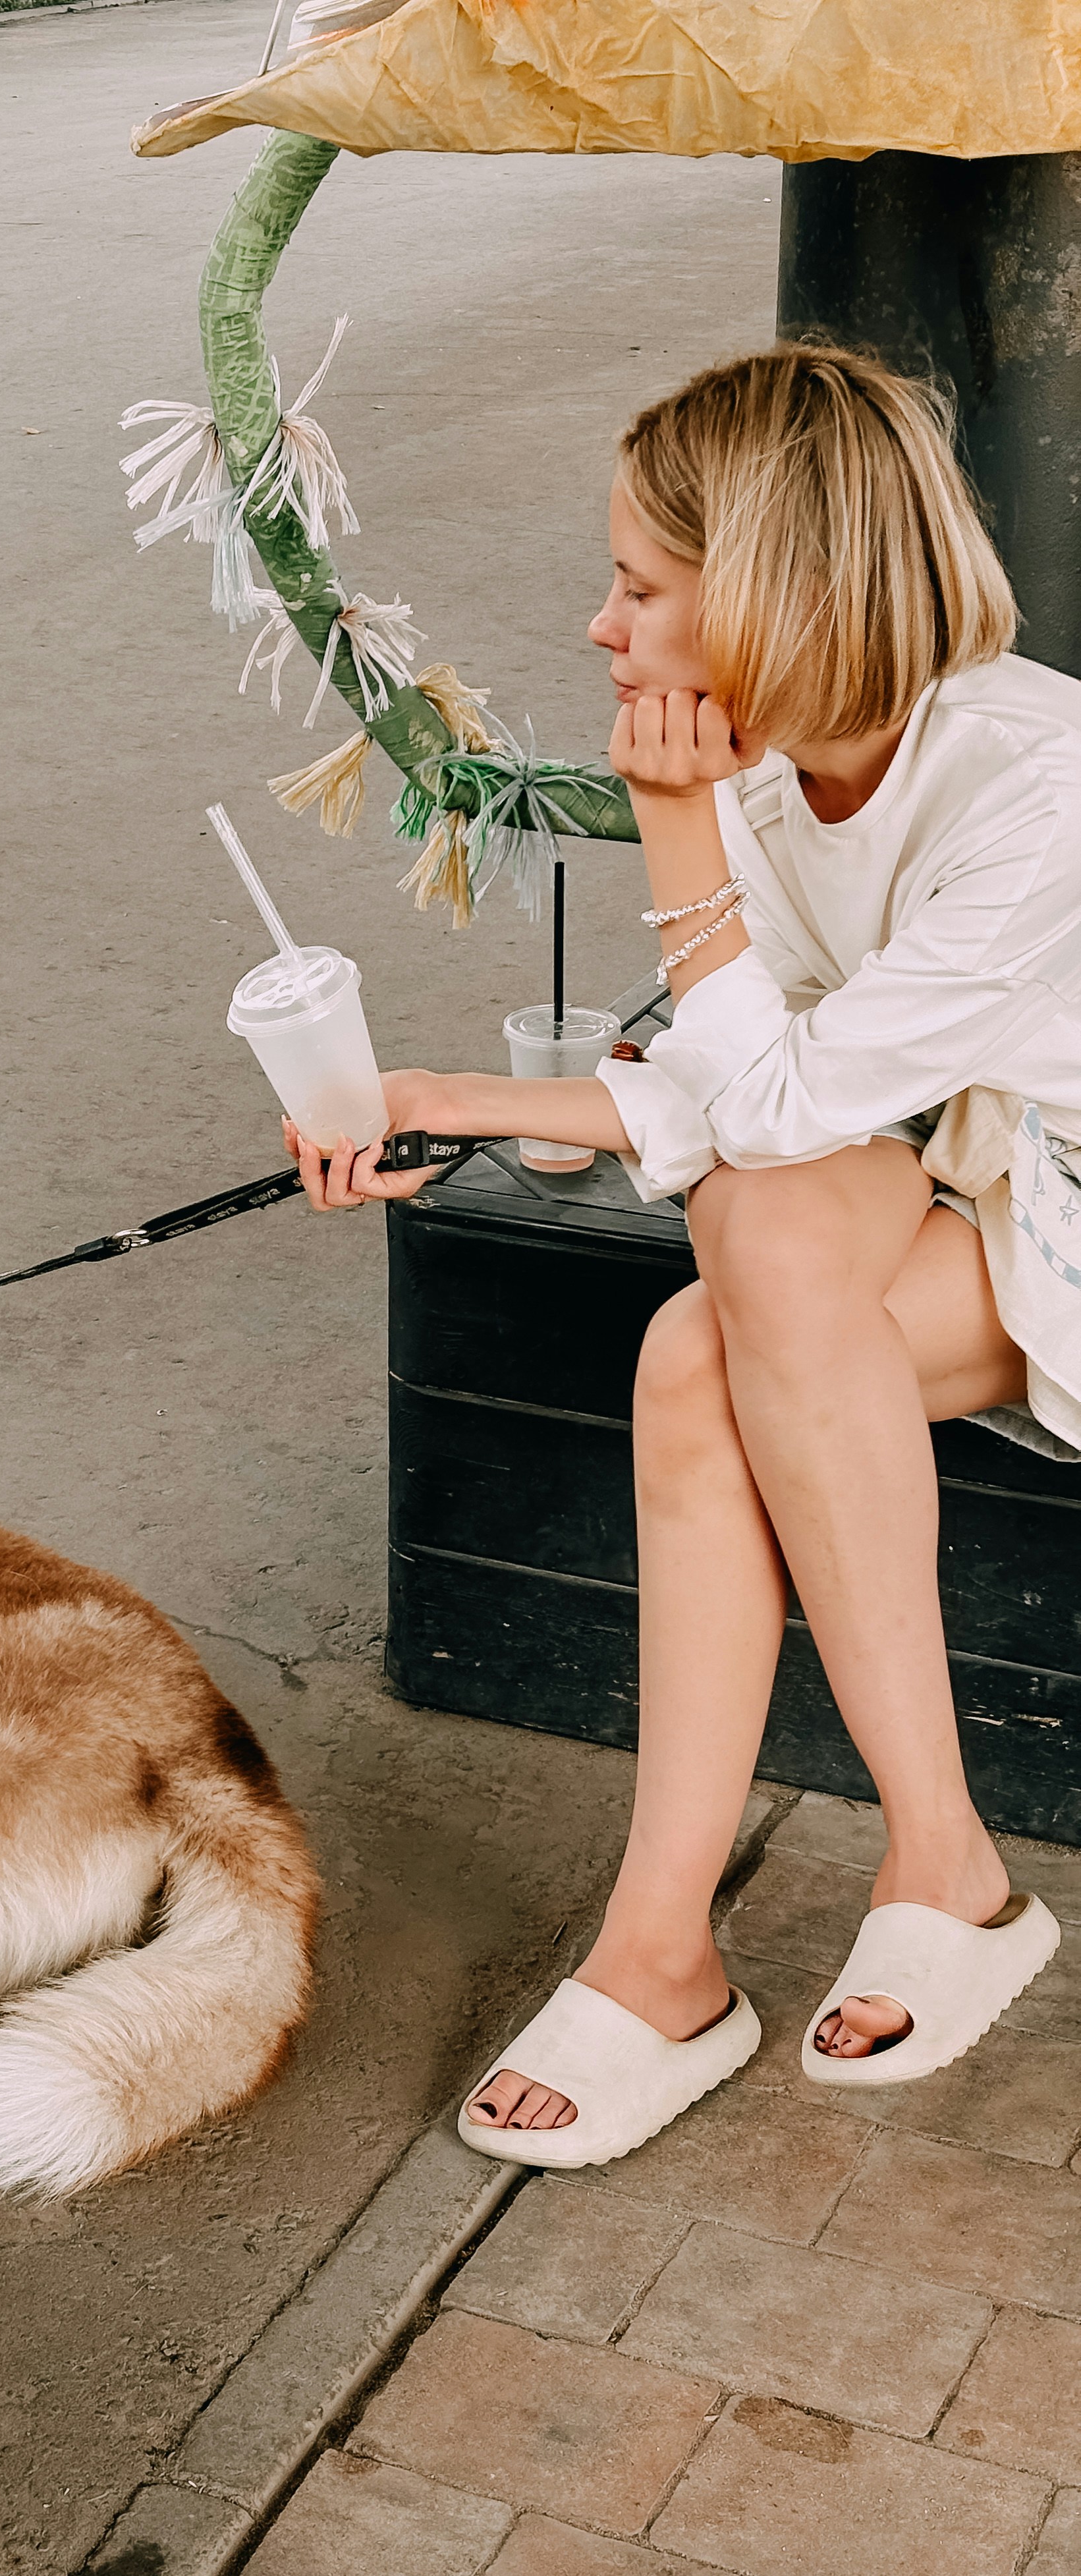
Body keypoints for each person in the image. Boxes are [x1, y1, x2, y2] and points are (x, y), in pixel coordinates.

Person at [291, 343, 1081, 2169]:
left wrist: (668, 834)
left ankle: (877, 1888)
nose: (601, 625)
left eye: (643, 585)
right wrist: (439, 1093)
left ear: (779, 590)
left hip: (1039, 1185)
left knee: (728, 1296)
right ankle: (716, 1929)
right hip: (950, 1159)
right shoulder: (780, 773)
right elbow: (748, 1085)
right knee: (713, 1323)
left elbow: (784, 1109)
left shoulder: (1036, 786)